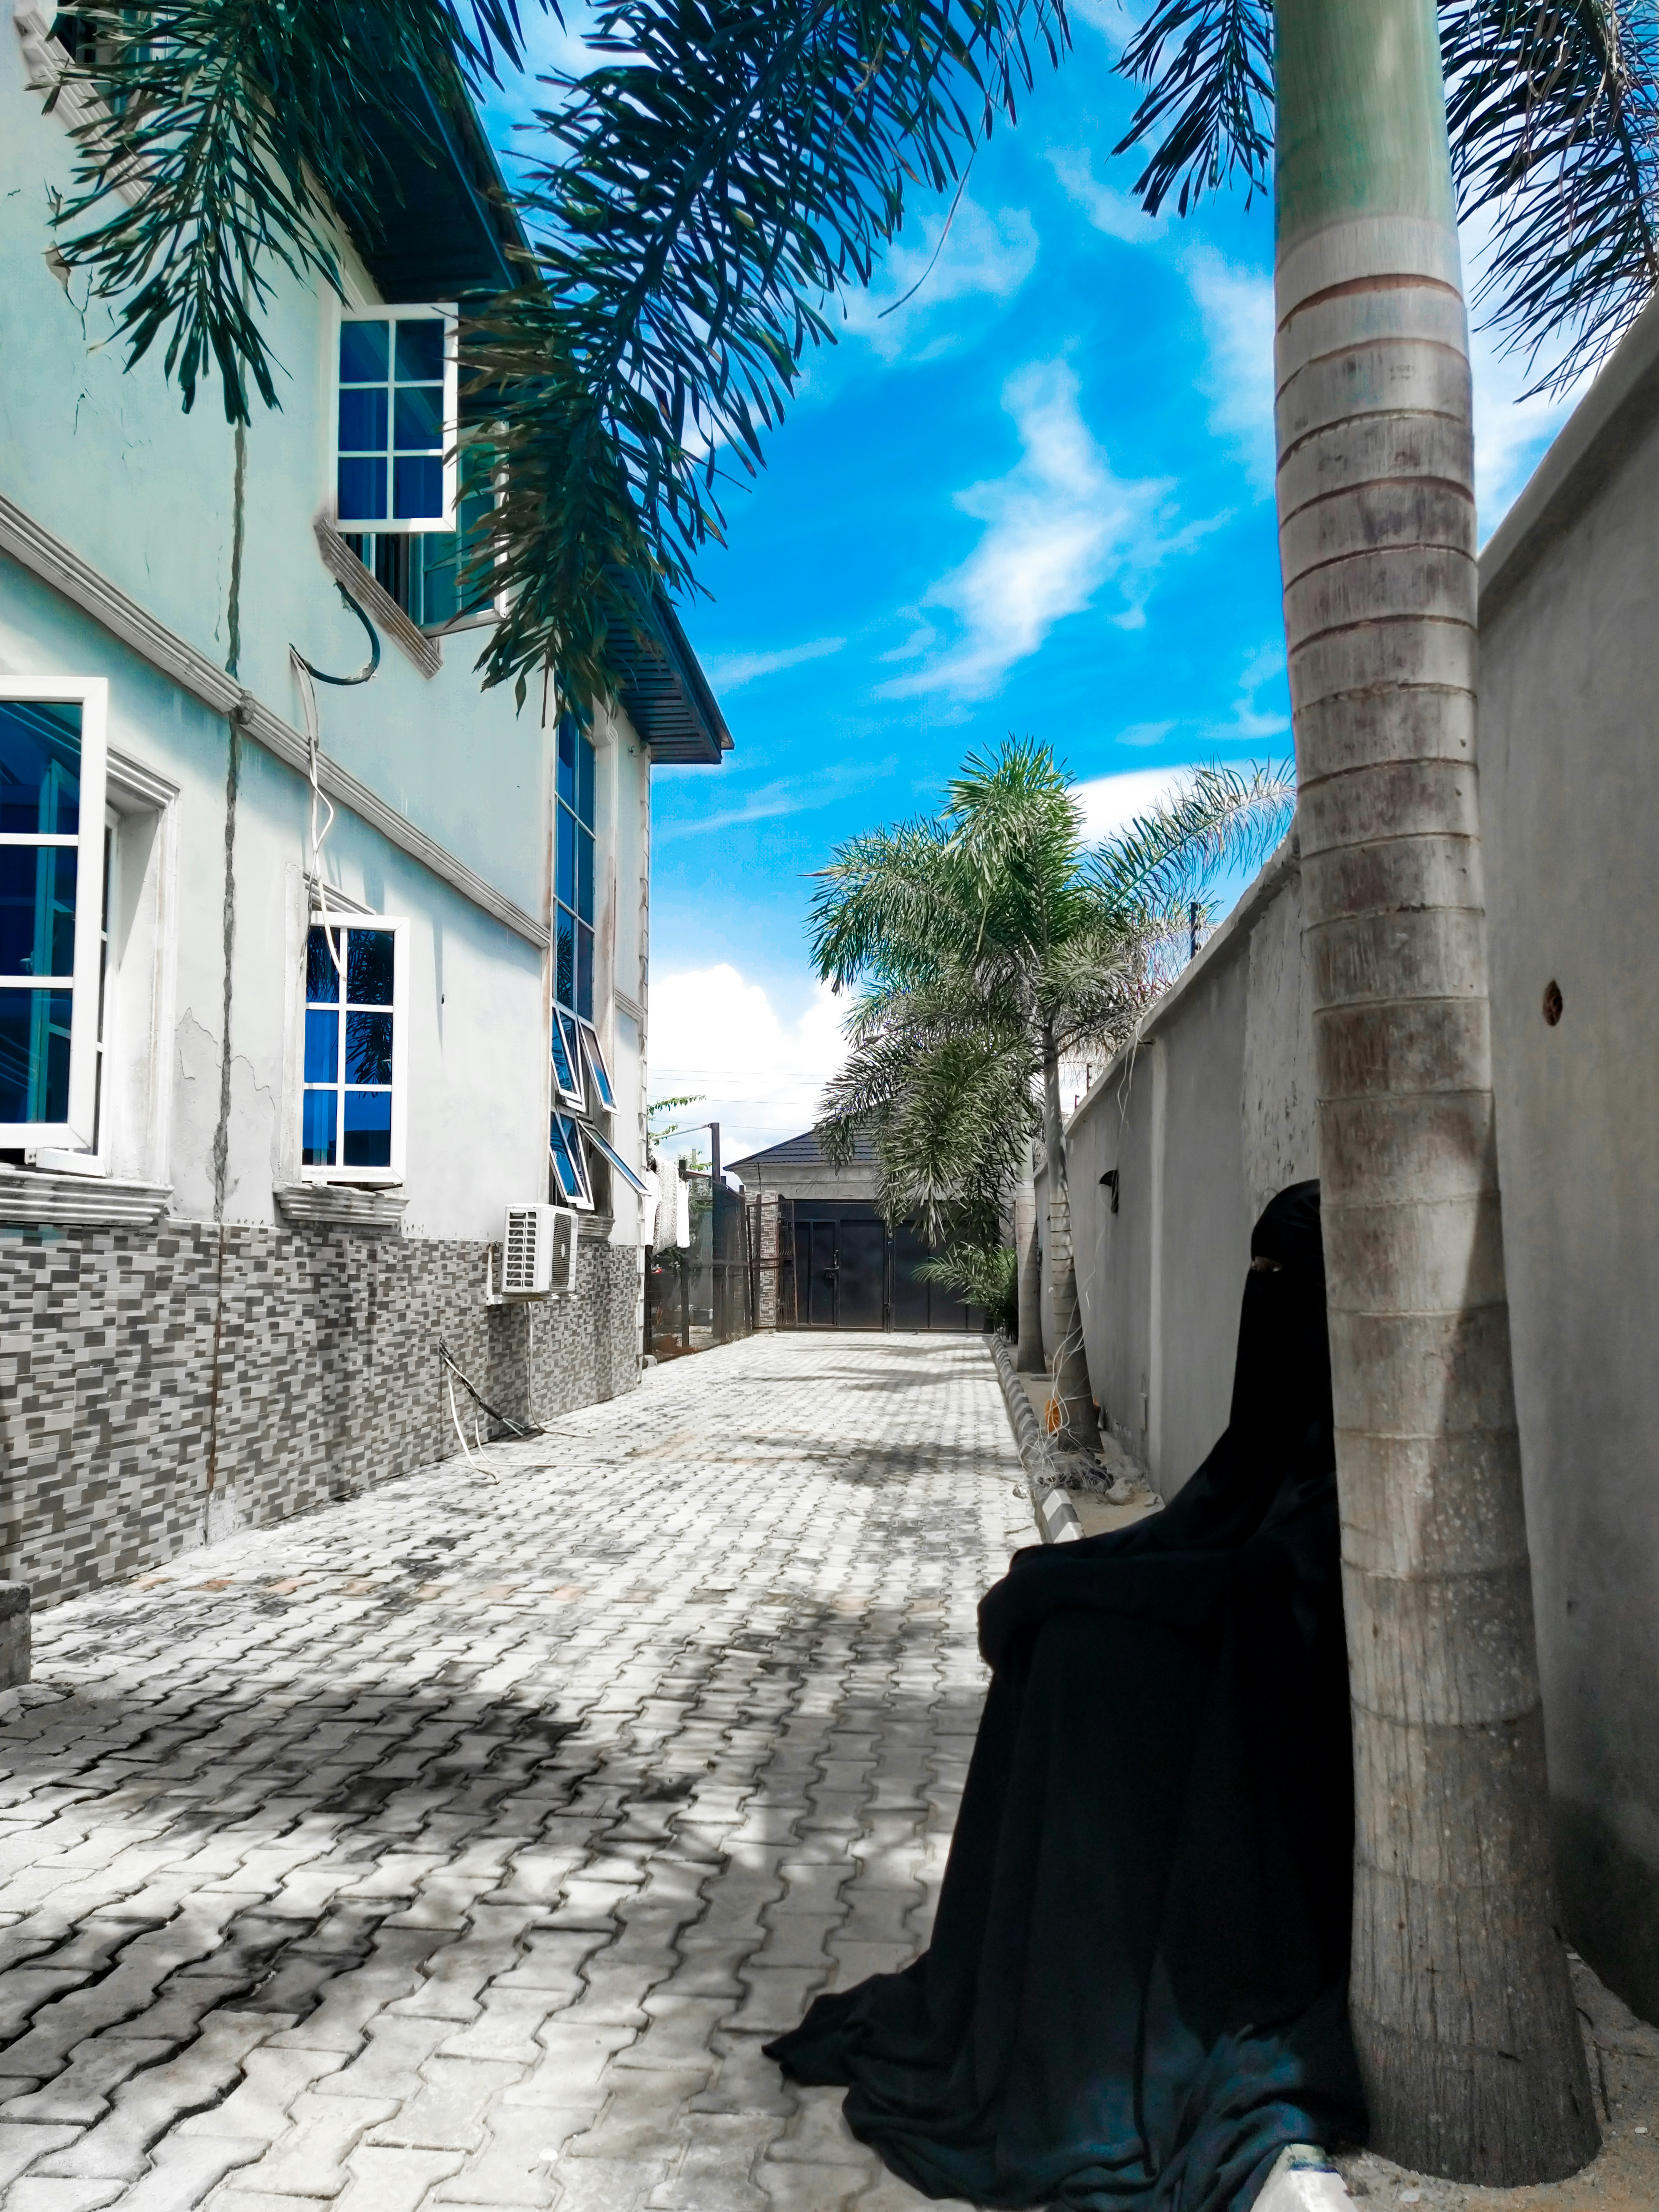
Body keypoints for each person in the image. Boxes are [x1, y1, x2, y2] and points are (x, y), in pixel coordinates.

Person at [766, 1181, 1365, 2211]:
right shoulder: (1277, 1441)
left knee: (1090, 1666)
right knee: (1068, 1647)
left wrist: (1081, 1587)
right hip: (1231, 1657)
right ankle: (1015, 1988)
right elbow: (1202, 1529)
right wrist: (1061, 1580)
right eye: (1254, 1276)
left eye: (1284, 1282)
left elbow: (1268, 1587)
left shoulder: (1364, 1457)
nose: (1261, 1298)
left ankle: (1076, 2009)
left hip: (1283, 1715)